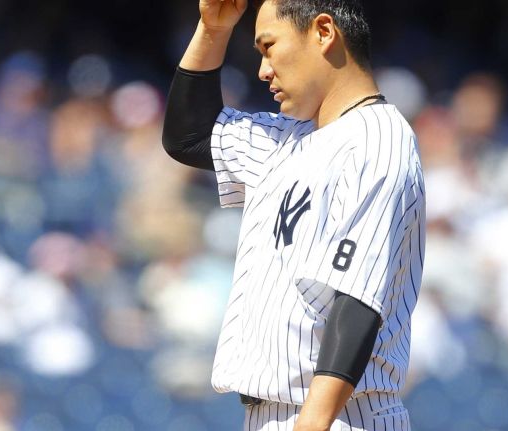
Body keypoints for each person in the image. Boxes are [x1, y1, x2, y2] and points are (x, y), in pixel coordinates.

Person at [162, 1, 425, 430]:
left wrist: (311, 424)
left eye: (270, 47)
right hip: (281, 415)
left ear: (324, 32)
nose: (263, 70)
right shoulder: (287, 138)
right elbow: (188, 136)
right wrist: (212, 29)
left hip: (338, 417)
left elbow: (356, 303)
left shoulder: (378, 140)